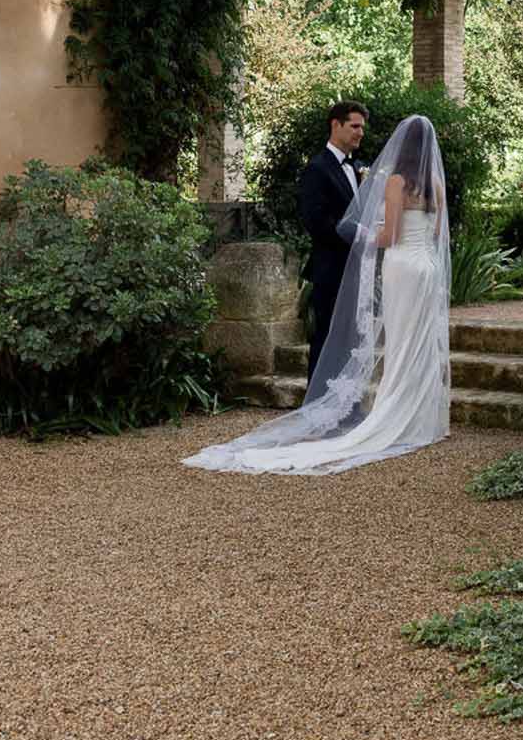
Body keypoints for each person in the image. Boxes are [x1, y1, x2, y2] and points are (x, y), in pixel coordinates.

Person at [183, 114, 451, 475]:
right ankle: (423, 419)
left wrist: (366, 233)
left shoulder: (397, 181)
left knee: (402, 342)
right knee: (421, 341)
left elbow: (389, 238)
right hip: (427, 268)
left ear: (403, 145)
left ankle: (393, 416)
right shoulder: (435, 182)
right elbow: (436, 235)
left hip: (402, 267)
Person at [296, 99, 368, 382]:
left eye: (362, 127)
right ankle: (316, 410)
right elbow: (316, 222)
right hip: (330, 269)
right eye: (354, 126)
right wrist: (359, 235)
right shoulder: (317, 168)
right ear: (335, 125)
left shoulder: (360, 167)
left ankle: (346, 407)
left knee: (352, 339)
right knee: (326, 339)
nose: (360, 132)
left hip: (355, 269)